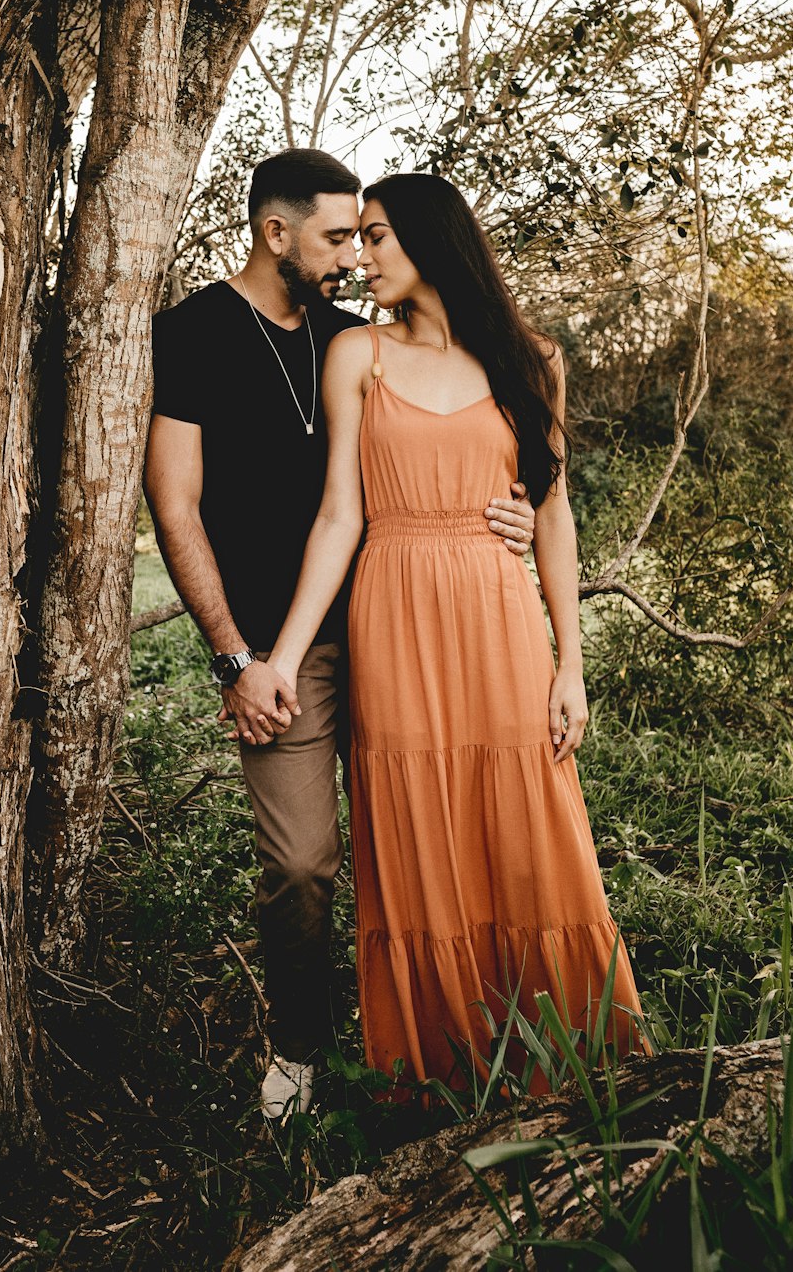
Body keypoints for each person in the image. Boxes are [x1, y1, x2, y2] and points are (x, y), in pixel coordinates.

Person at [143, 150, 537, 1122]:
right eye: (335, 238)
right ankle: (300, 1050)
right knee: (303, 864)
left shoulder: (356, 335)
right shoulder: (191, 334)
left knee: (435, 831)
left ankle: (448, 1031)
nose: (353, 257)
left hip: (398, 628)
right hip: (282, 650)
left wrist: (514, 507)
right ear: (275, 233)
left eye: (364, 237)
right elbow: (175, 503)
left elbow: (449, 433)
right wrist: (237, 655)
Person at [267, 173, 646, 1096]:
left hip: (497, 613)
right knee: (416, 819)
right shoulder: (360, 355)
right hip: (393, 615)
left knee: (525, 817)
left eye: (380, 237)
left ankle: (563, 1053)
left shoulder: (532, 359)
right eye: (354, 239)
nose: (363, 258)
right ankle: (442, 1066)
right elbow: (338, 519)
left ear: (433, 242)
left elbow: (551, 520)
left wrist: (573, 665)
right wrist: (280, 657)